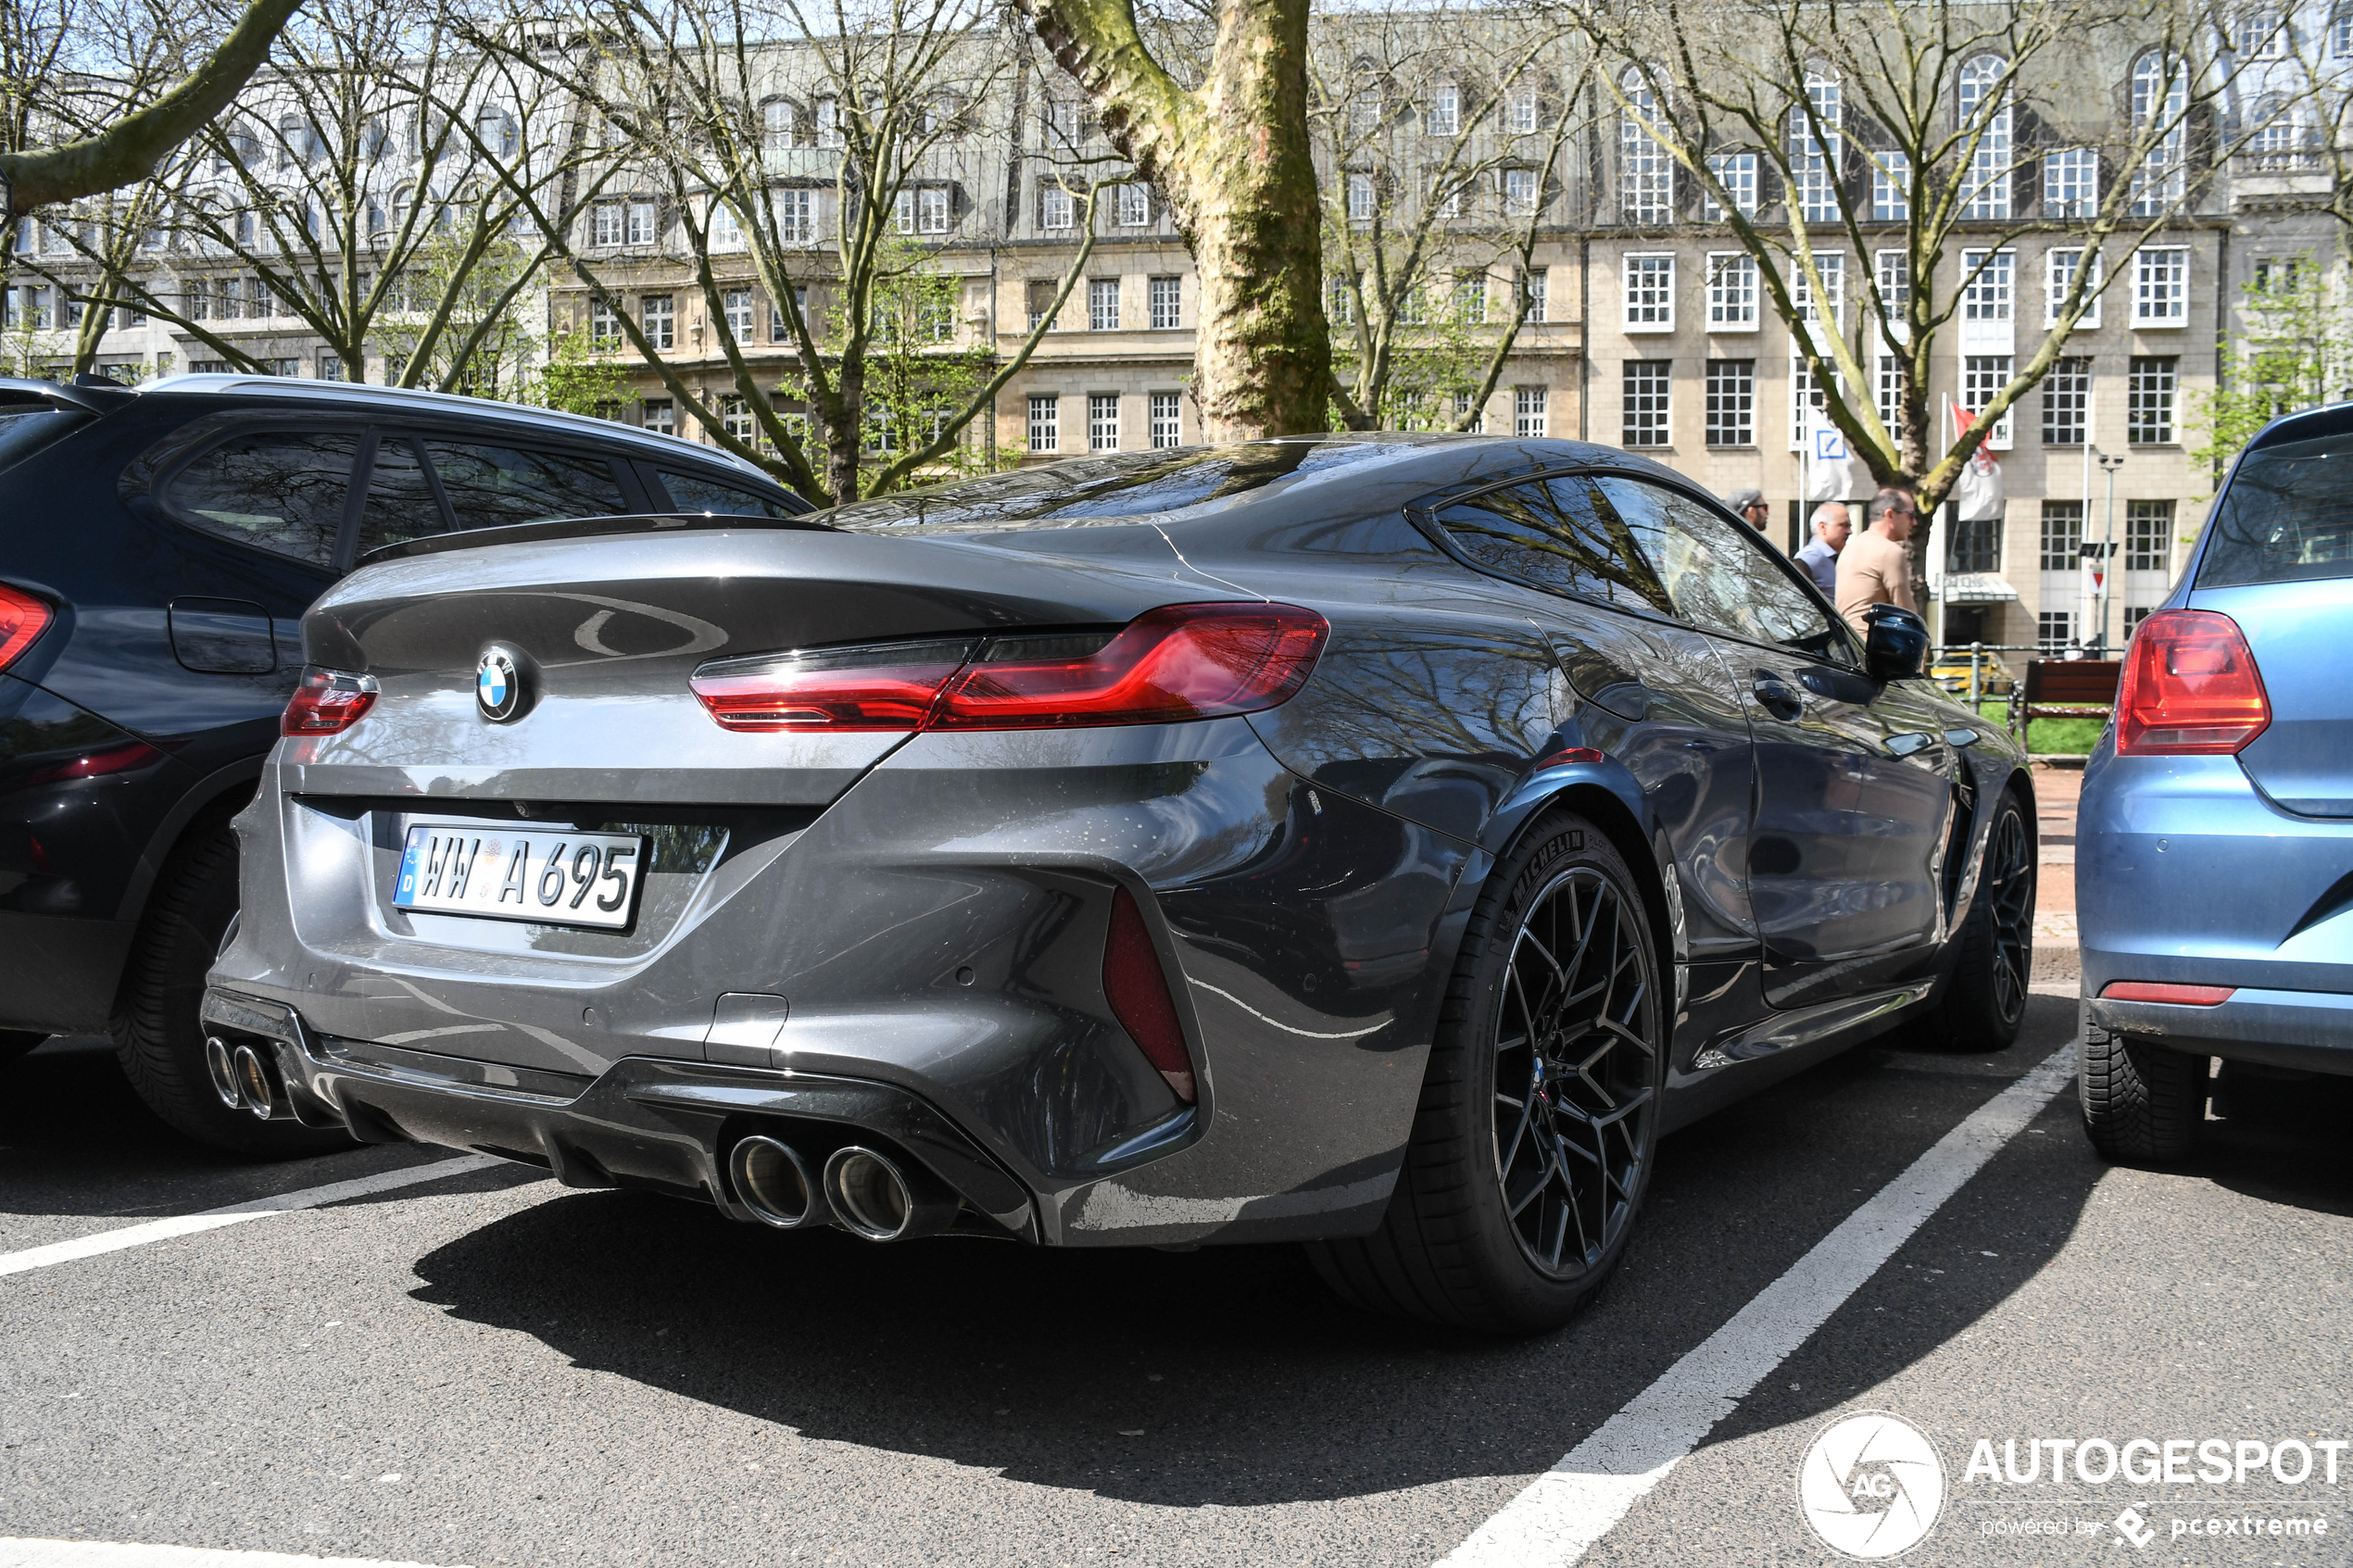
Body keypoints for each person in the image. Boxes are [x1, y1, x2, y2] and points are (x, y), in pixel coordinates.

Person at [1835, 487, 1921, 633]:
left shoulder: (1850, 548)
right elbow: (1907, 614)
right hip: (1874, 647)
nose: (1914, 522)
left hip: (1847, 645)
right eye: (1910, 515)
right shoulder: (1890, 552)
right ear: (1890, 514)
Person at [1793, 502, 1851, 597]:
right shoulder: (1809, 558)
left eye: (1849, 526)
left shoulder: (1833, 558)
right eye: (1844, 525)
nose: (1849, 531)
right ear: (1823, 527)